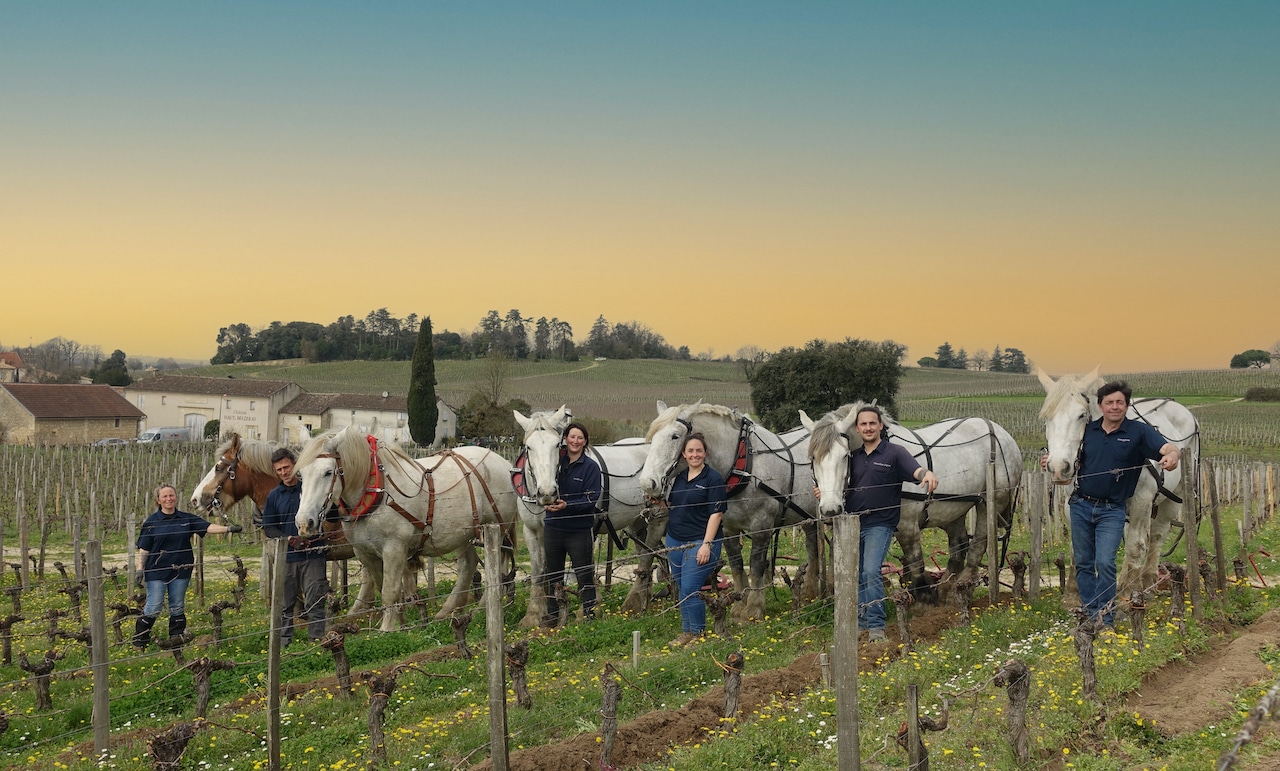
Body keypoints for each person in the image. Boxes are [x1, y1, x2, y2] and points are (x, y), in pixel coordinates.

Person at [1046, 380, 1179, 628]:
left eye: (1120, 402)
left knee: (1105, 563)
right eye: (1109, 403)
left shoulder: (1138, 432)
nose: (1114, 407)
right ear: (1100, 406)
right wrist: (1052, 460)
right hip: (1081, 506)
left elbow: (1168, 448)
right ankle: (1090, 611)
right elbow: (1069, 451)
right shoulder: (1088, 431)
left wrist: (1172, 455)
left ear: (1127, 405)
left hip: (1112, 509)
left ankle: (1105, 618)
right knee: (1084, 563)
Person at [817, 405, 937, 643]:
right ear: (857, 429)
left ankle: (876, 627)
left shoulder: (894, 453)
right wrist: (824, 492)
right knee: (858, 574)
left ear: (881, 426)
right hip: (852, 525)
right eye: (863, 424)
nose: (868, 427)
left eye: (873, 423)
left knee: (871, 572)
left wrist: (927, 474)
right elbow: (839, 480)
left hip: (879, 524)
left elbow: (915, 470)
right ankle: (861, 623)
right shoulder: (853, 457)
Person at [134, 484, 242, 649]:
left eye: (171, 495)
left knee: (177, 605)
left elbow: (207, 527)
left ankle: (175, 640)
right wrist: (140, 568)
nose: (169, 499)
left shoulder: (186, 518)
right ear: (158, 500)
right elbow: (144, 548)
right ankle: (140, 641)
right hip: (156, 571)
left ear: (176, 497)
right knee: (154, 606)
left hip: (181, 570)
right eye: (165, 496)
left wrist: (229, 529)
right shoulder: (151, 522)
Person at [662, 432, 728, 648]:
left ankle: (698, 634)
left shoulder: (713, 479)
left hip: (700, 542)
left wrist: (706, 545)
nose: (695, 454)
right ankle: (686, 632)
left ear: (705, 453)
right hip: (675, 541)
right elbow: (674, 506)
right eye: (690, 451)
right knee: (682, 588)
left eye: (699, 450)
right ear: (684, 454)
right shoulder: (680, 478)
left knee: (691, 588)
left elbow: (716, 514)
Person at [261, 447, 331, 645]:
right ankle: (284, 643)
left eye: (287, 467)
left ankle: (317, 641)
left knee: (315, 601)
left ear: (295, 466)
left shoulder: (310, 488)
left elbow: (329, 514)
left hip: (313, 555)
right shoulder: (274, 496)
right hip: (288, 558)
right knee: (285, 604)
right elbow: (269, 527)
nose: (284, 472)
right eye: (279, 470)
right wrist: (290, 539)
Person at [540, 422, 604, 626]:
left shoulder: (591, 467)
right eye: (572, 437)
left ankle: (589, 615)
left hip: (579, 530)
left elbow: (591, 499)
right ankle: (552, 616)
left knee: (584, 574)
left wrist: (567, 505)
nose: (575, 441)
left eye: (580, 438)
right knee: (553, 575)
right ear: (565, 439)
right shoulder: (555, 463)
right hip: (553, 528)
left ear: (585, 442)